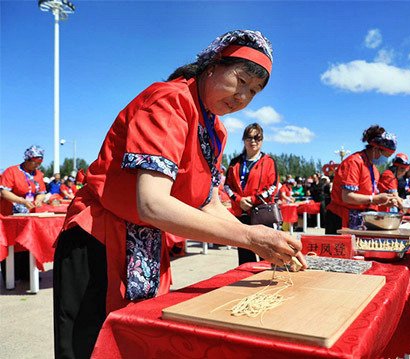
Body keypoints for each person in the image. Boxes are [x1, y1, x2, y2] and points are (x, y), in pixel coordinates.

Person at [53, 30, 306, 359]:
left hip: (144, 244)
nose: (244, 96)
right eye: (241, 80)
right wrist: (249, 237)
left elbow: (208, 202)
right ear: (213, 65)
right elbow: (152, 203)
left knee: (137, 342)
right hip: (98, 240)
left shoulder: (215, 130)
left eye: (254, 91)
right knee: (90, 347)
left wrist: (262, 238)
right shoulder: (170, 100)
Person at [325, 125, 398, 234]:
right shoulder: (354, 163)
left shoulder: (373, 169)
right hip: (340, 219)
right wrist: (374, 199)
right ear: (375, 149)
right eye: (385, 155)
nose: (386, 159)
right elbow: (347, 196)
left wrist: (383, 202)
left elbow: (368, 194)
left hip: (359, 220)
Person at [224, 123, 280, 264]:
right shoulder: (235, 162)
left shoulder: (269, 162)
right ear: (244, 139)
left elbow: (273, 186)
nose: (253, 141)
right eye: (249, 137)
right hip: (241, 213)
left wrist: (253, 200)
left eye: (257, 137)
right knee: (244, 256)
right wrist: (239, 200)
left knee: (267, 254)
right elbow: (227, 186)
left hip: (261, 213)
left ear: (262, 140)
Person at [0, 145, 47, 281]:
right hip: (9, 215)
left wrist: (39, 200)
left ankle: (28, 274)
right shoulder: (12, 171)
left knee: (27, 243)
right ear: (27, 159)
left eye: (39, 163)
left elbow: (41, 192)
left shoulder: (38, 174)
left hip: (28, 216)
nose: (37, 166)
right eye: (35, 162)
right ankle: (11, 276)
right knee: (11, 245)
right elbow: (4, 192)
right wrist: (21, 201)